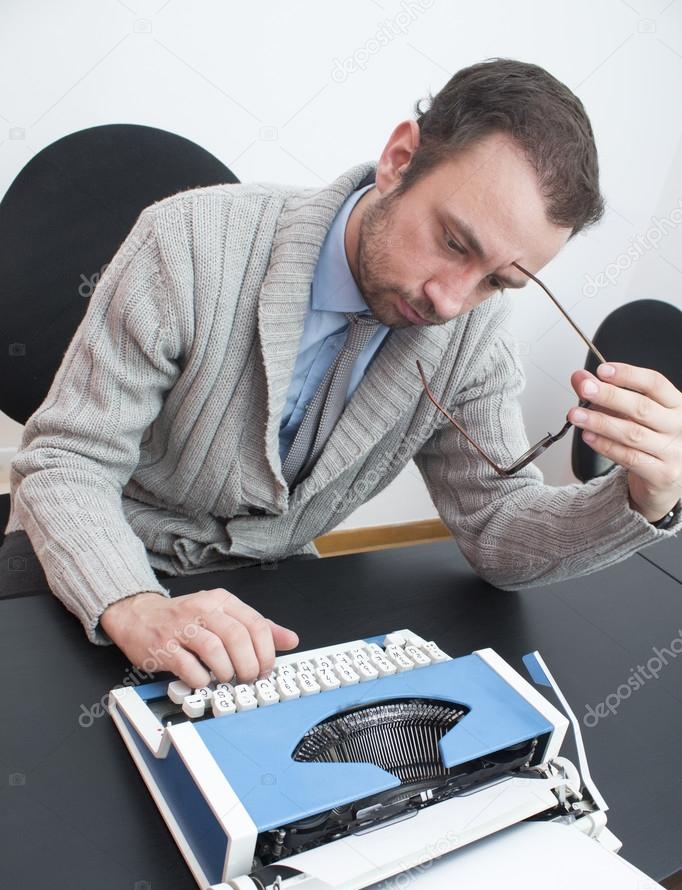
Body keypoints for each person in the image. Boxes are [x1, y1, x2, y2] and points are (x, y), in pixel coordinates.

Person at [2, 58, 680, 688]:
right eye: (451, 241)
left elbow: (497, 523)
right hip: (96, 552)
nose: (450, 300)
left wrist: (640, 499)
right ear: (399, 159)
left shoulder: (473, 335)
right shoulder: (187, 240)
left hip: (272, 592)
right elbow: (67, 461)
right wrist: (136, 603)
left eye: (497, 281)